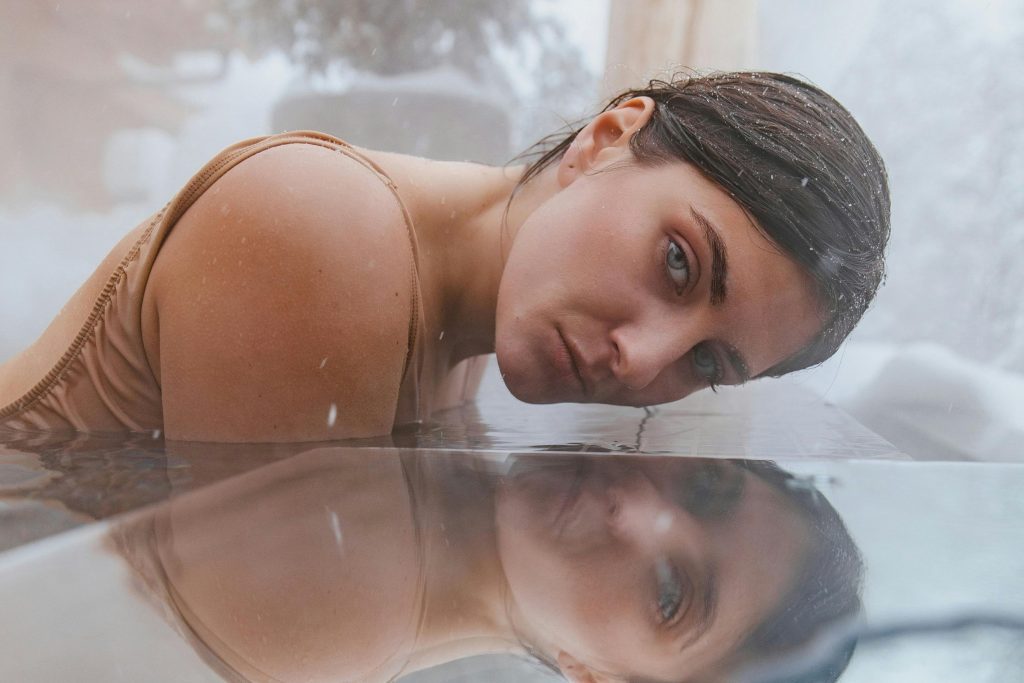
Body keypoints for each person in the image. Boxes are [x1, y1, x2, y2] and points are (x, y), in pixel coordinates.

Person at [0, 72, 890, 442]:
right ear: (606, 139)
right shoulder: (324, 226)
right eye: (679, 263)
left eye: (707, 362)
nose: (642, 357)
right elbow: (285, 641)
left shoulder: (456, 339)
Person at [110, 448, 864, 683]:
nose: (637, 507)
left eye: (671, 594)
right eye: (707, 484)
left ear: (601, 679)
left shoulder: (324, 610)